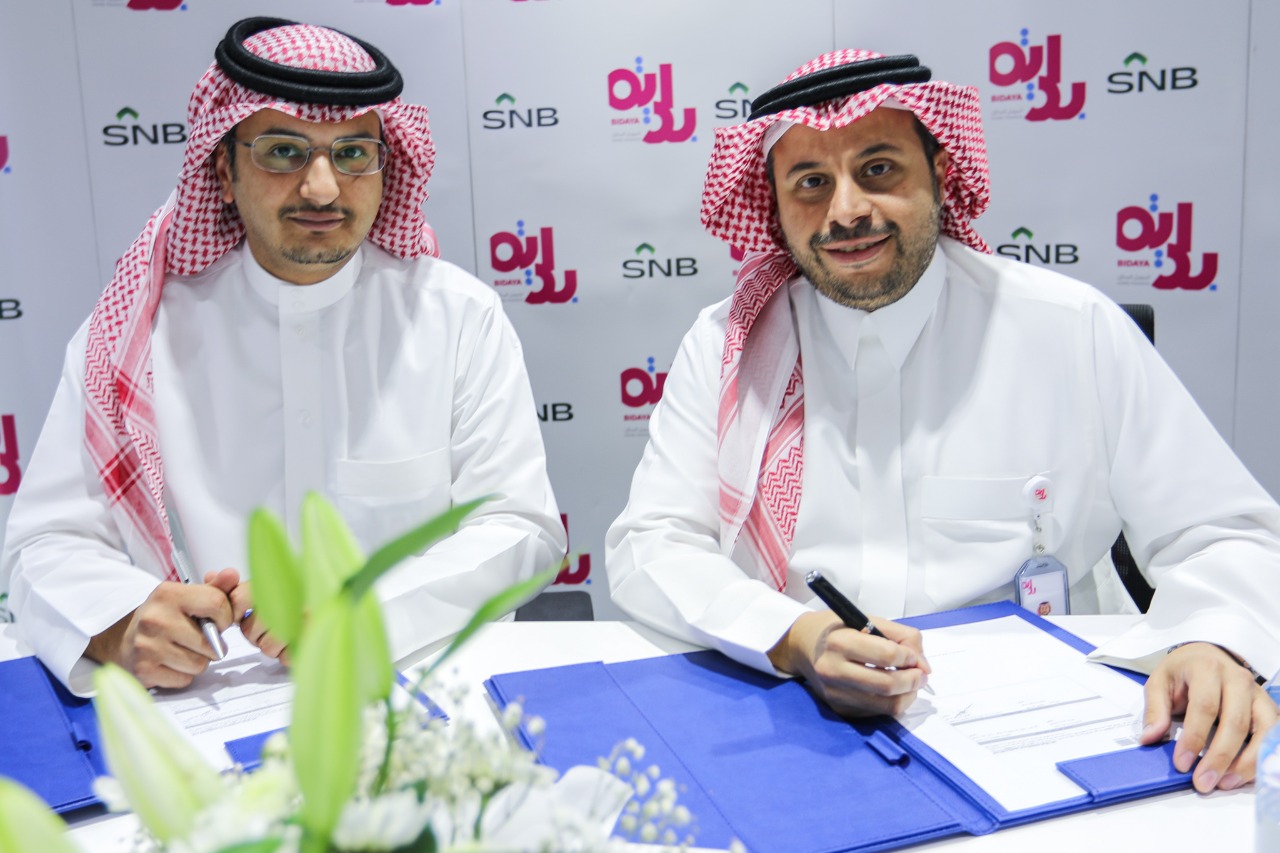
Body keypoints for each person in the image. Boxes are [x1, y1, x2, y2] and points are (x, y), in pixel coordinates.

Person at [606, 50, 1280, 794]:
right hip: (800, 717)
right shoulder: (726, 348)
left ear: (940, 171)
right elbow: (653, 541)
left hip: (1046, 730)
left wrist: (1212, 640)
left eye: (879, 169)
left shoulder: (1070, 328)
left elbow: (1225, 531)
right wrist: (794, 637)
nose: (846, 211)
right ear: (774, 205)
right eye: (811, 182)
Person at [1, 17, 564, 695]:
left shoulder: (457, 316)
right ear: (224, 170)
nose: (322, 188)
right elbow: (45, 543)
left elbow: (518, 526)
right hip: (206, 705)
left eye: (352, 153)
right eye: (283, 151)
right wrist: (119, 623)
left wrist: (366, 614)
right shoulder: (137, 335)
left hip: (411, 689)